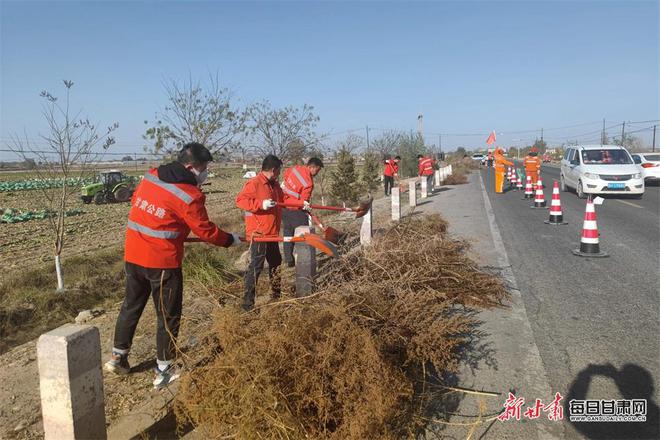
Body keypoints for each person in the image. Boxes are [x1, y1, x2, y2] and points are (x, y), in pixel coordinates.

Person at [105, 143, 241, 389]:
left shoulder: (152, 175)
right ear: (191, 167)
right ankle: (164, 369)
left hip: (133, 254)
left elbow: (139, 201)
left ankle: (118, 357)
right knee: (168, 315)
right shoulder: (189, 195)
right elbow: (206, 231)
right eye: (204, 167)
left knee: (131, 305)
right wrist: (230, 240)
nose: (206, 172)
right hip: (162, 262)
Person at [236, 155, 303, 311]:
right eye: (279, 171)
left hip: (272, 234)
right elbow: (240, 201)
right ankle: (247, 304)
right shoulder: (255, 184)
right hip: (259, 234)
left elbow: (284, 200)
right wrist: (261, 204)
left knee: (275, 263)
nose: (279, 174)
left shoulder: (274, 186)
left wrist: (301, 204)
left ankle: (276, 295)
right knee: (256, 267)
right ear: (273, 170)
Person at [281, 157, 323, 267]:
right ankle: (304, 260)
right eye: (317, 170)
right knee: (303, 235)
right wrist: (306, 206)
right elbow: (304, 200)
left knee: (288, 233)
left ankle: (289, 260)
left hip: (284, 206)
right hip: (296, 210)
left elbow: (285, 175)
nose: (317, 173)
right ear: (312, 167)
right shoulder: (308, 182)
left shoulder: (295, 168)